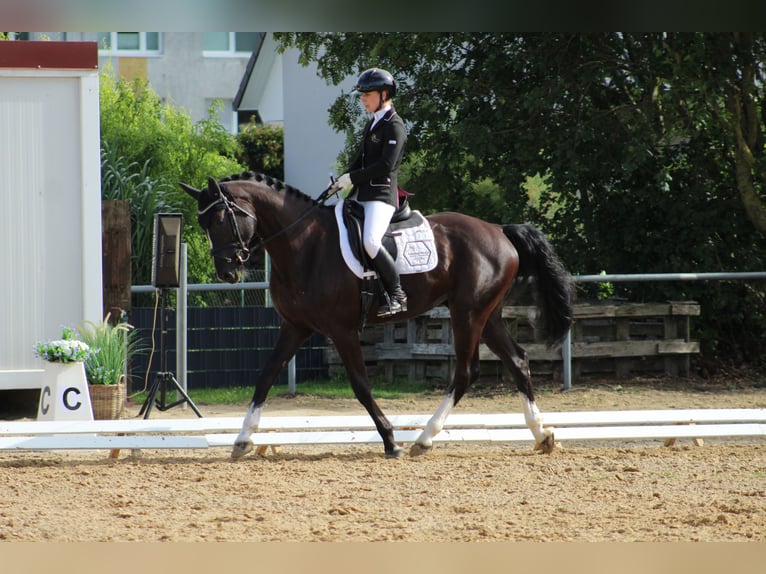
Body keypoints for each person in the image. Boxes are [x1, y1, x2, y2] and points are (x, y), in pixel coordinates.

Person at [331, 68, 408, 317]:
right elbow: (361, 160)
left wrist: (352, 178)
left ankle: (397, 295)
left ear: (384, 94)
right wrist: (342, 179)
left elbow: (386, 165)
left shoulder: (394, 126)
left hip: (382, 197)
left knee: (371, 241)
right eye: (361, 95)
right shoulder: (374, 123)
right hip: (362, 195)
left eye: (367, 94)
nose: (363, 99)